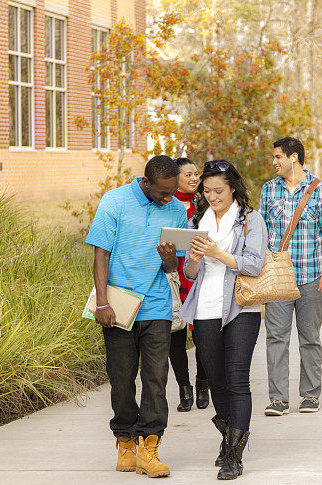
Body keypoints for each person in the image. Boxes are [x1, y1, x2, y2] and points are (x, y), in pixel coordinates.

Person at [85, 155, 186, 478]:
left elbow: (173, 268)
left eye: (172, 192)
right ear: (146, 183)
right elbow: (101, 253)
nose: (168, 198)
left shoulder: (176, 210)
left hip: (156, 306)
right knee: (121, 379)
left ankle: (149, 447)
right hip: (119, 306)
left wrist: (170, 260)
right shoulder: (114, 201)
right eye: (162, 193)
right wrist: (102, 303)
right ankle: (126, 441)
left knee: (156, 379)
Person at [179, 160, 268, 480]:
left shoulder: (251, 220)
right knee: (216, 381)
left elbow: (254, 266)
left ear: (233, 187)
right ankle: (227, 436)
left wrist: (217, 253)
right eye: (206, 190)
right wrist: (193, 259)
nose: (212, 196)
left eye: (218, 190)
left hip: (241, 308)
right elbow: (190, 274)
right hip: (204, 310)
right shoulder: (196, 221)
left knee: (237, 379)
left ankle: (234, 455)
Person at [260, 137, 322, 415]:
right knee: (276, 339)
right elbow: (262, 231)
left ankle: (309, 395)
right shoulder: (269, 190)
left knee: (309, 338)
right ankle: (278, 398)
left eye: (277, 157)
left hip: (310, 276)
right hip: (278, 278)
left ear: (293, 158)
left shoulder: (321, 189)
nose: (274, 162)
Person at [170, 157, 210, 412]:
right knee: (176, 335)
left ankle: (202, 384)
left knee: (202, 335)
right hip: (174, 276)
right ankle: (184, 389)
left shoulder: (205, 204)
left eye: (196, 174)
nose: (194, 178)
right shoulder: (167, 205)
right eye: (188, 174)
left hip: (199, 274)